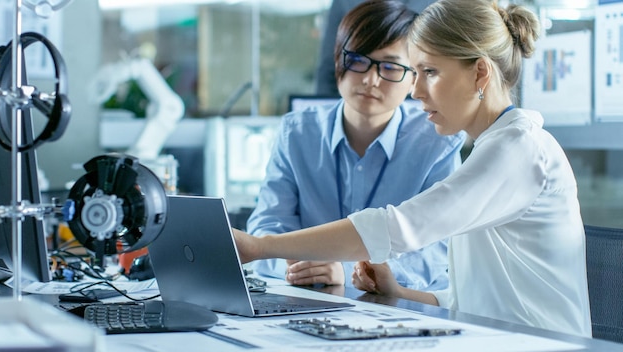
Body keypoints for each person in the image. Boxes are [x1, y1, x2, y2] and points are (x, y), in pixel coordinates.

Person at [234, 0, 592, 337]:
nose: (415, 90)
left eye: (430, 72)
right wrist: (400, 291)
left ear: (480, 73)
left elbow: (396, 228)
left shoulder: (518, 150)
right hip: (491, 336)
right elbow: (468, 298)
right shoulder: (493, 148)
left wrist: (260, 246)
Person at [247, 0, 465, 291]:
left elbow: (438, 250)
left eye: (389, 66)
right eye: (358, 60)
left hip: (401, 309)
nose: (370, 79)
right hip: (306, 301)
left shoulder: (438, 143)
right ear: (338, 59)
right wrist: (300, 265)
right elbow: (266, 228)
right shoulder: (297, 133)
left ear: (414, 76)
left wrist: (345, 270)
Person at [315, 0, 436, 96]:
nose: (371, 80)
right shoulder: (345, 3)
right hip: (353, 100)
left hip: (413, 97)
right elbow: (329, 66)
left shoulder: (439, 4)